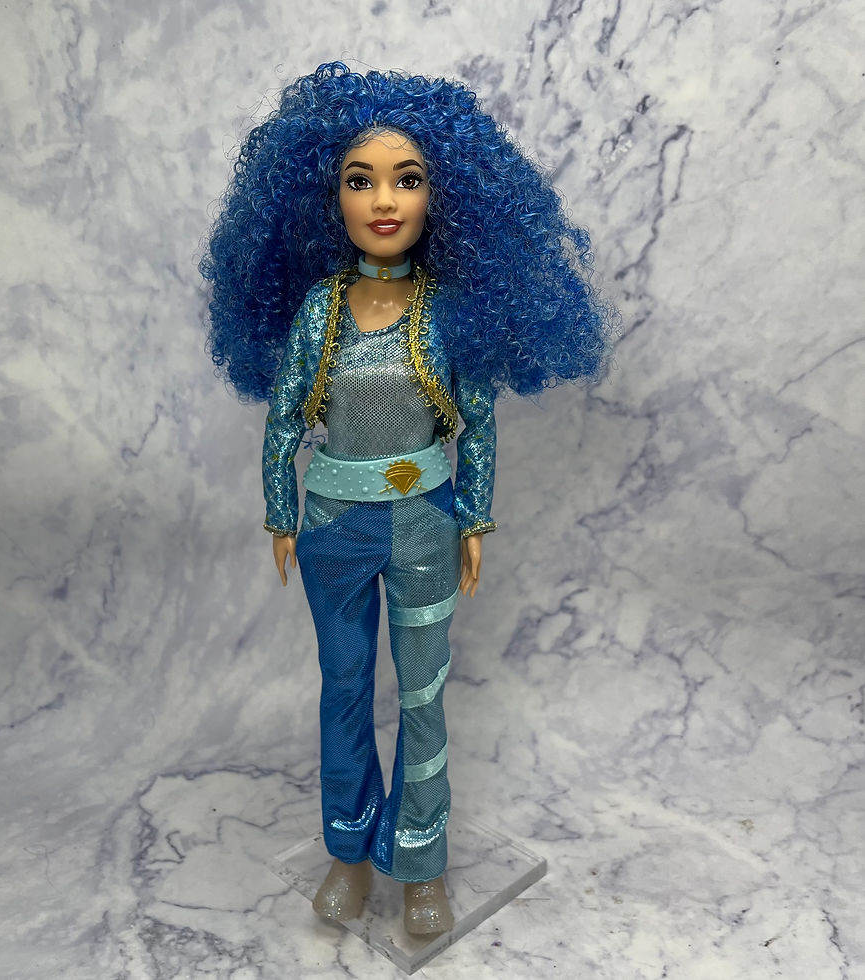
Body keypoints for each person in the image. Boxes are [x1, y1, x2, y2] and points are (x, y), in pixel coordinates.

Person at [201, 62, 615, 935]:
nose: (384, 200)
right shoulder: (319, 311)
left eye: (407, 178)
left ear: (443, 195)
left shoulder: (449, 311)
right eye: (361, 180)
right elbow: (284, 420)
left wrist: (475, 519)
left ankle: (422, 862)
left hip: (427, 521)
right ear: (327, 197)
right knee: (344, 689)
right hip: (331, 527)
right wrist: (281, 513)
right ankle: (348, 852)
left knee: (424, 697)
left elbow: (478, 424)